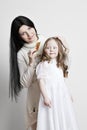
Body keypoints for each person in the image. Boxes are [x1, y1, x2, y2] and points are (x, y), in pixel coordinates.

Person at [9, 16, 45, 130]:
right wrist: (31, 63)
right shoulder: (22, 54)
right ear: (18, 37)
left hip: (53, 94)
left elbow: (62, 67)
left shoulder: (46, 41)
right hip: (36, 99)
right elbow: (25, 84)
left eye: (29, 28)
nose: (29, 34)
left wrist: (65, 47)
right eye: (23, 33)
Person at [36, 37, 79, 130]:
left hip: (61, 95)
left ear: (59, 49)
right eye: (48, 48)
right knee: (51, 115)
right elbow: (41, 81)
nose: (51, 50)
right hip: (50, 95)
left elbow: (62, 81)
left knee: (62, 114)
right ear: (44, 50)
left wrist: (68, 93)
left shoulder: (59, 63)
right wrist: (45, 97)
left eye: (54, 47)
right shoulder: (43, 64)